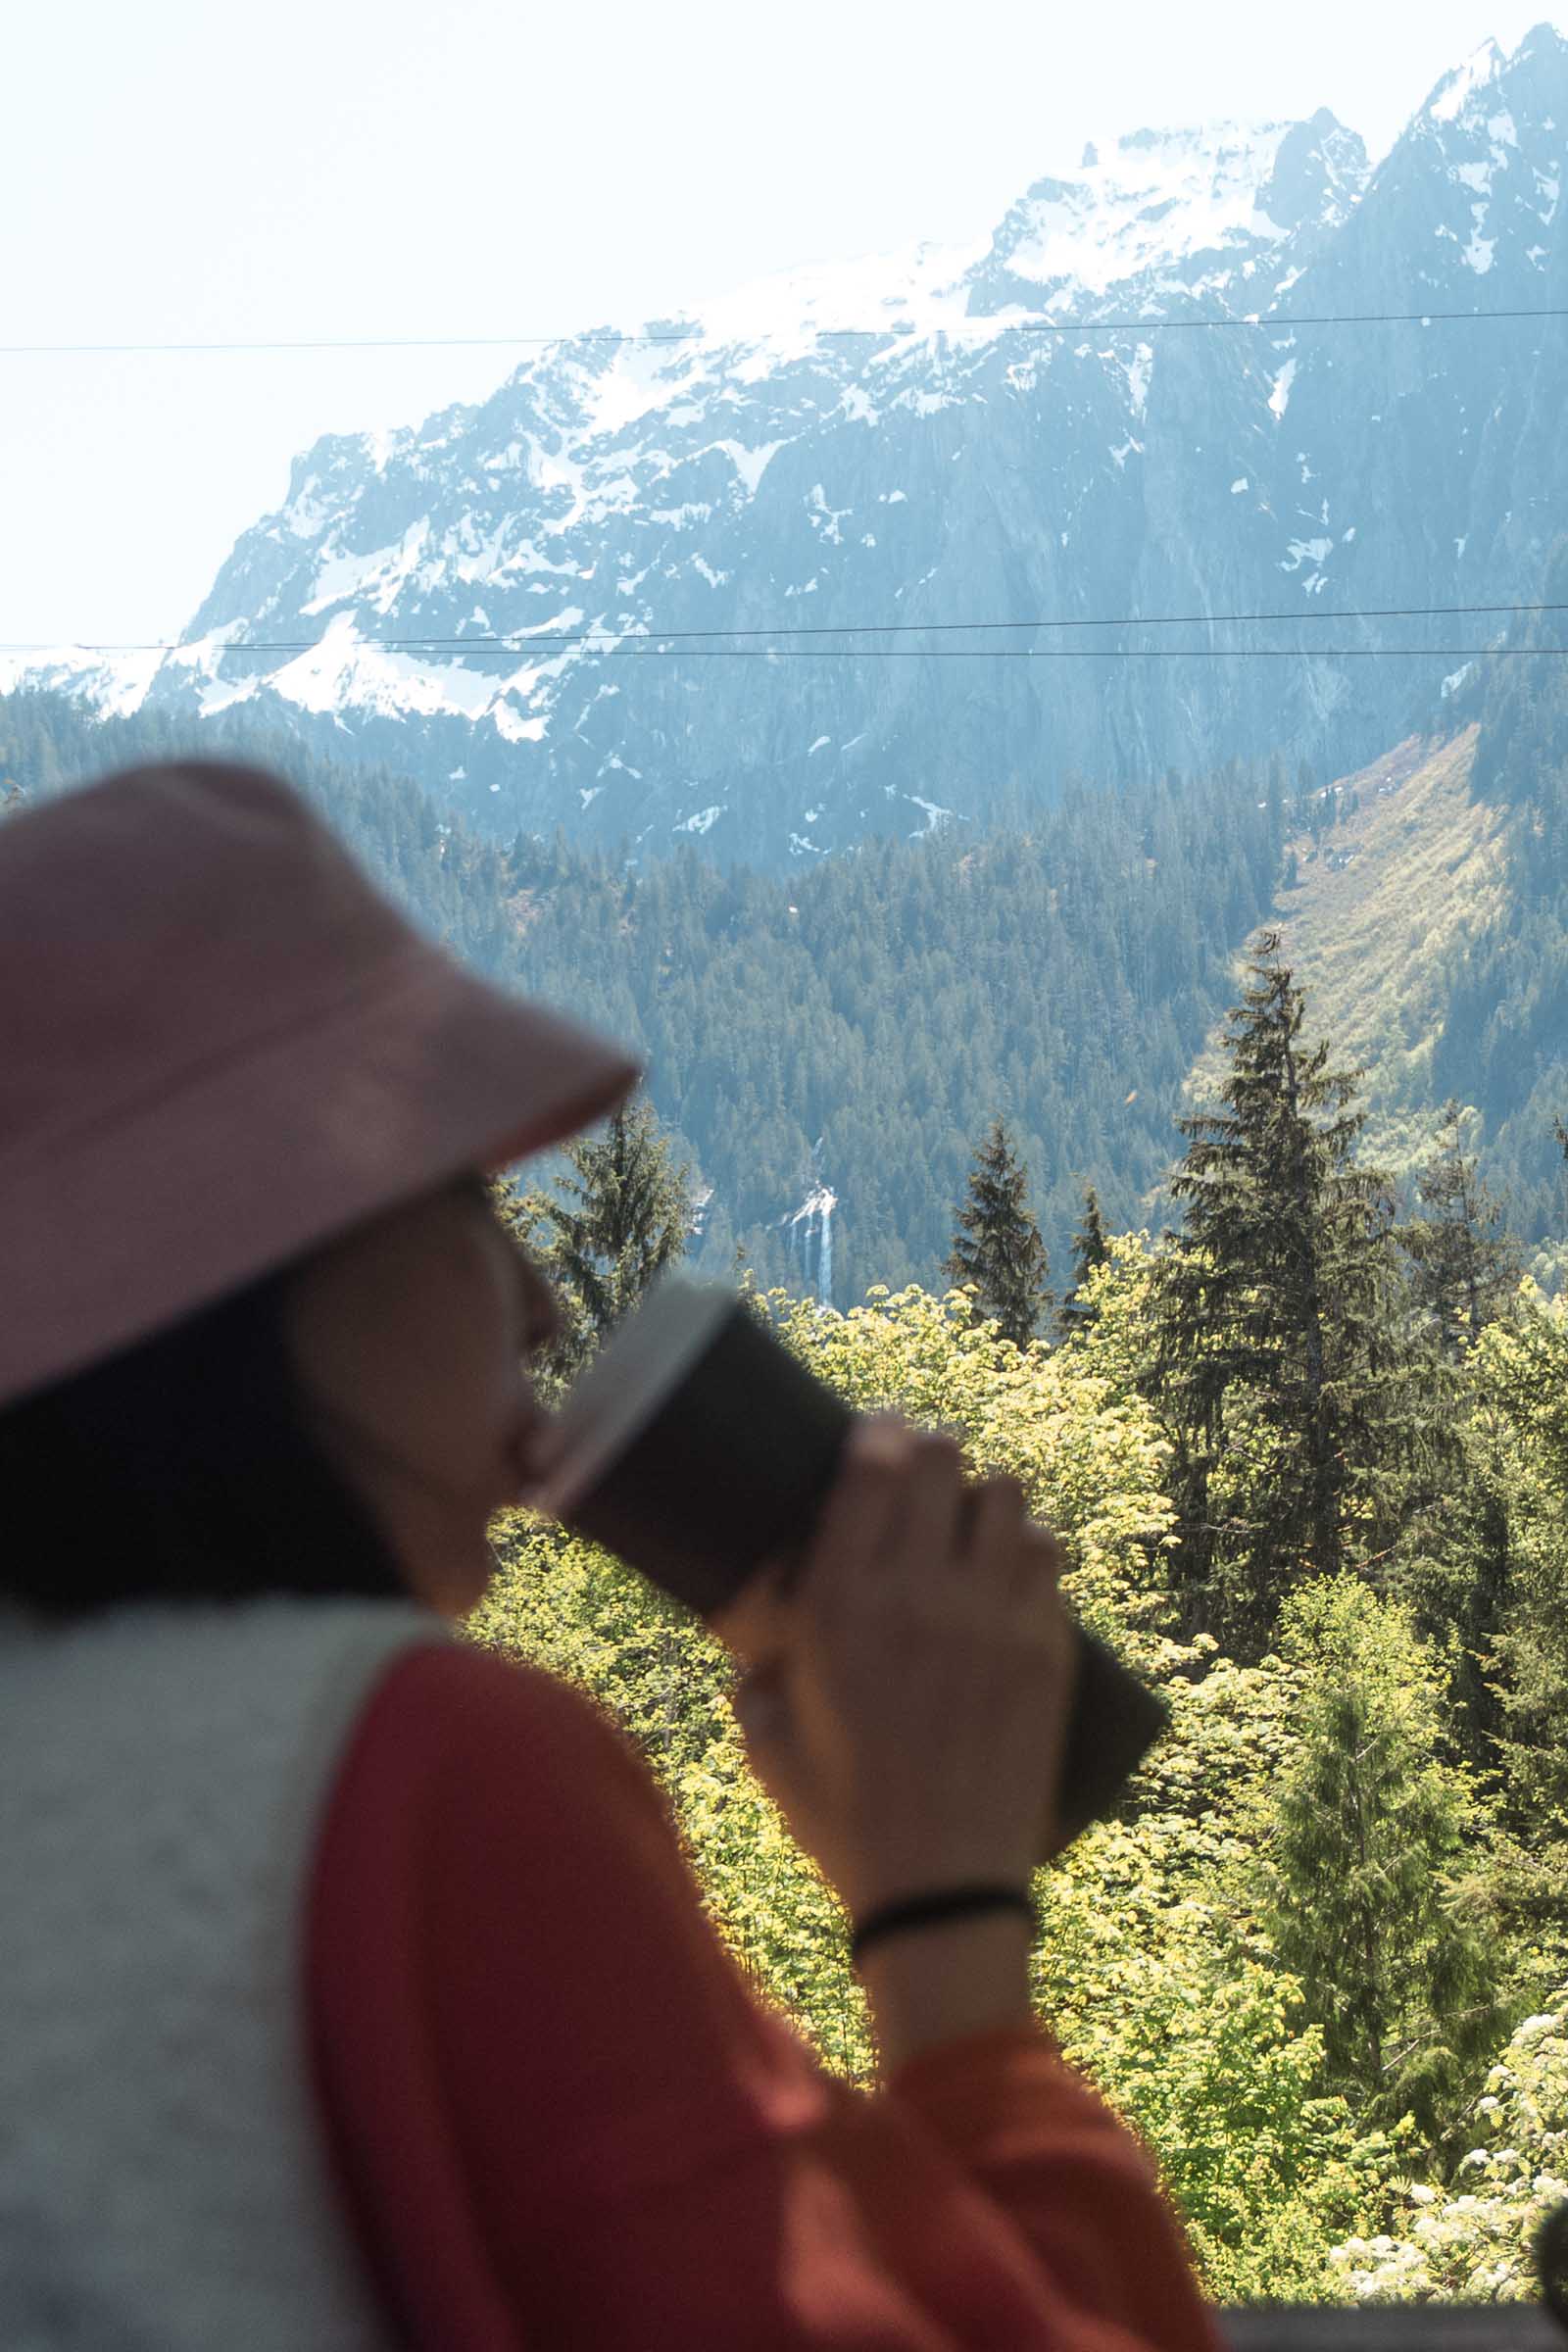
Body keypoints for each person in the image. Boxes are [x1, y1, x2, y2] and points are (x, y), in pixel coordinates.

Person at [0, 759, 1221, 2350]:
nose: (541, 1303)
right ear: (254, 1263)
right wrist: (940, 1918)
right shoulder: (421, 1768)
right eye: (463, 1200)